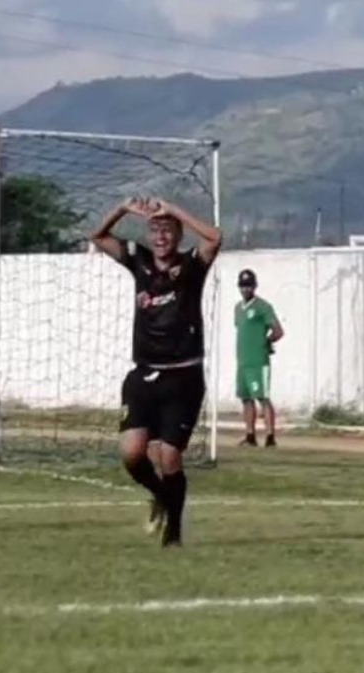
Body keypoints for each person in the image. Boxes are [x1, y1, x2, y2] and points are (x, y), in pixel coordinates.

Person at [90, 196, 222, 547]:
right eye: (155, 229)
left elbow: (214, 238)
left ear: (177, 235)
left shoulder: (192, 265)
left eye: (168, 230)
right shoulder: (139, 260)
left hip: (183, 377)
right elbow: (98, 236)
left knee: (168, 455)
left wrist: (173, 209)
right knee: (132, 454)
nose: (161, 236)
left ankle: (173, 533)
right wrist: (121, 208)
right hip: (144, 374)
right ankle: (161, 497)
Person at [234, 269, 284, 447]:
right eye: (242, 286)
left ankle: (270, 436)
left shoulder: (263, 306)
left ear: (254, 286)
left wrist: (266, 342)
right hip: (242, 361)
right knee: (245, 398)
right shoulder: (238, 308)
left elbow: (278, 331)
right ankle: (250, 436)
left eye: (248, 285)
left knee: (262, 397)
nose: (245, 289)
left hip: (258, 361)